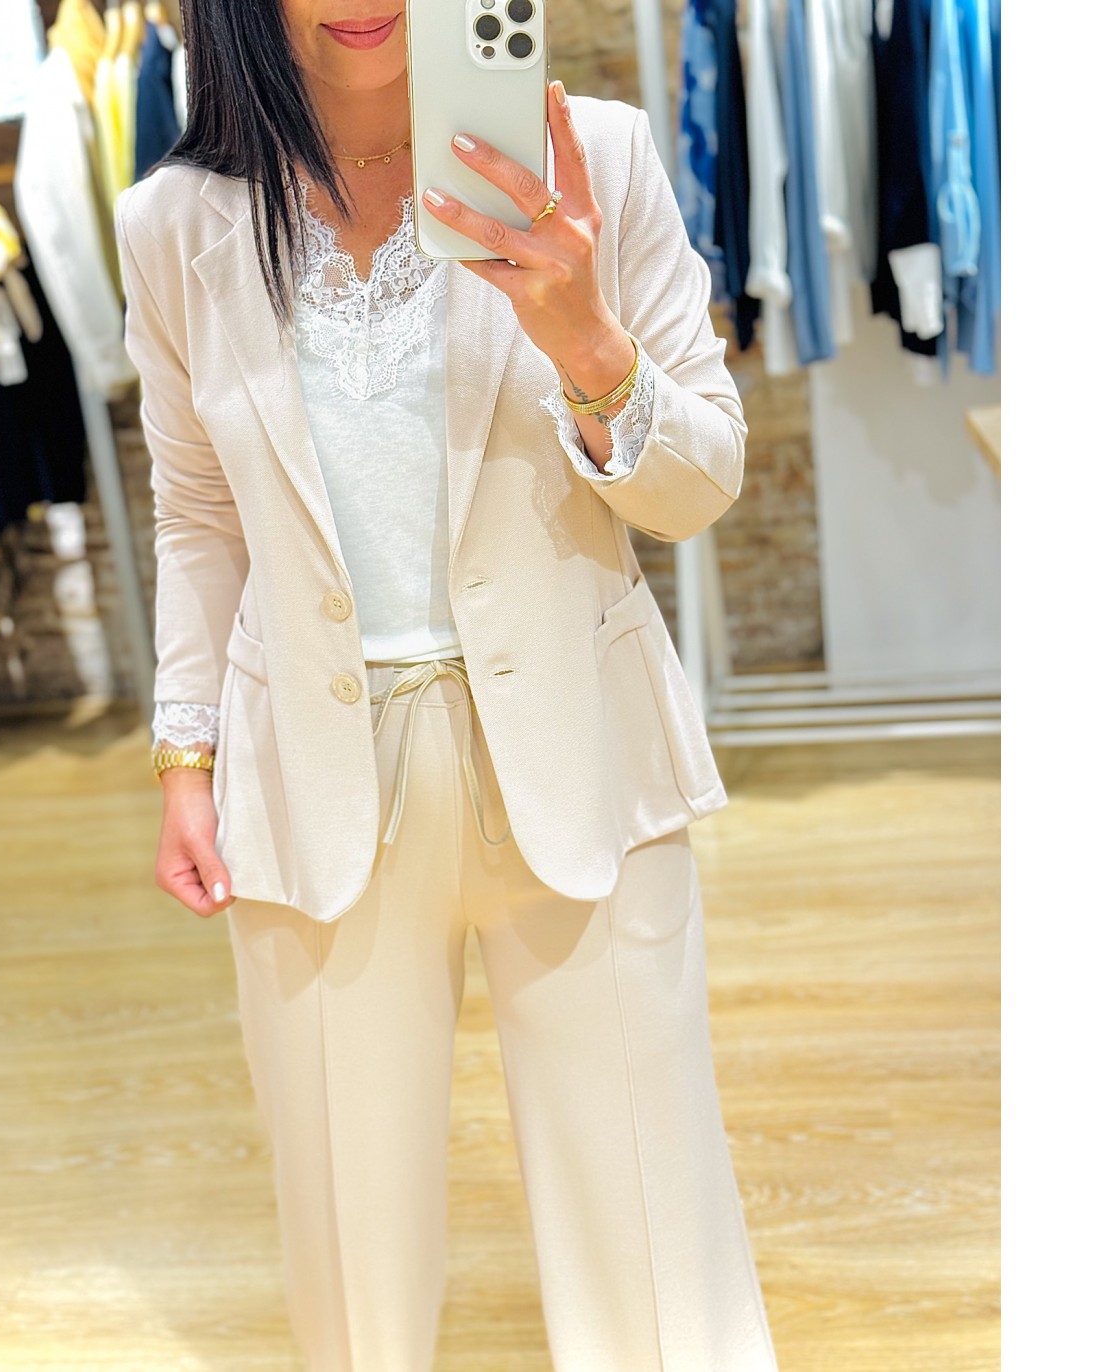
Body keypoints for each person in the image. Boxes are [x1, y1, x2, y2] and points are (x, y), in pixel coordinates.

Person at [114, 3, 781, 1369]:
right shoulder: (176, 224)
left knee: (655, 1232)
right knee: (353, 1256)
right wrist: (187, 754)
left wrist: (586, 341)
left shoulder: (595, 156)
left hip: (579, 748)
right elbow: (198, 514)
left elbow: (701, 484)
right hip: (314, 774)